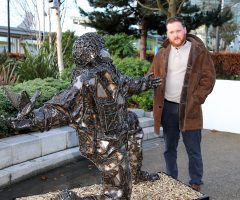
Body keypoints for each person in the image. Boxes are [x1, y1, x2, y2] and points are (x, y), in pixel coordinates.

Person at [4, 32, 161, 200]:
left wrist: (145, 83)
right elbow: (62, 105)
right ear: (94, 54)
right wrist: (33, 118)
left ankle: (134, 174)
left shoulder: (108, 71)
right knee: (119, 195)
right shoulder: (85, 79)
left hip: (119, 126)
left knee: (133, 122)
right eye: (102, 49)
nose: (106, 51)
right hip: (103, 140)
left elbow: (127, 83)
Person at [148, 17, 216, 192]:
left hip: (189, 109)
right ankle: (172, 178)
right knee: (169, 148)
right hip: (167, 108)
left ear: (185, 30)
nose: (175, 35)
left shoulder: (199, 51)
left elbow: (209, 79)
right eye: (171, 32)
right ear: (168, 34)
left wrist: (196, 99)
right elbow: (151, 74)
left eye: (178, 30)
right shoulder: (162, 52)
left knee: (193, 149)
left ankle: (195, 182)